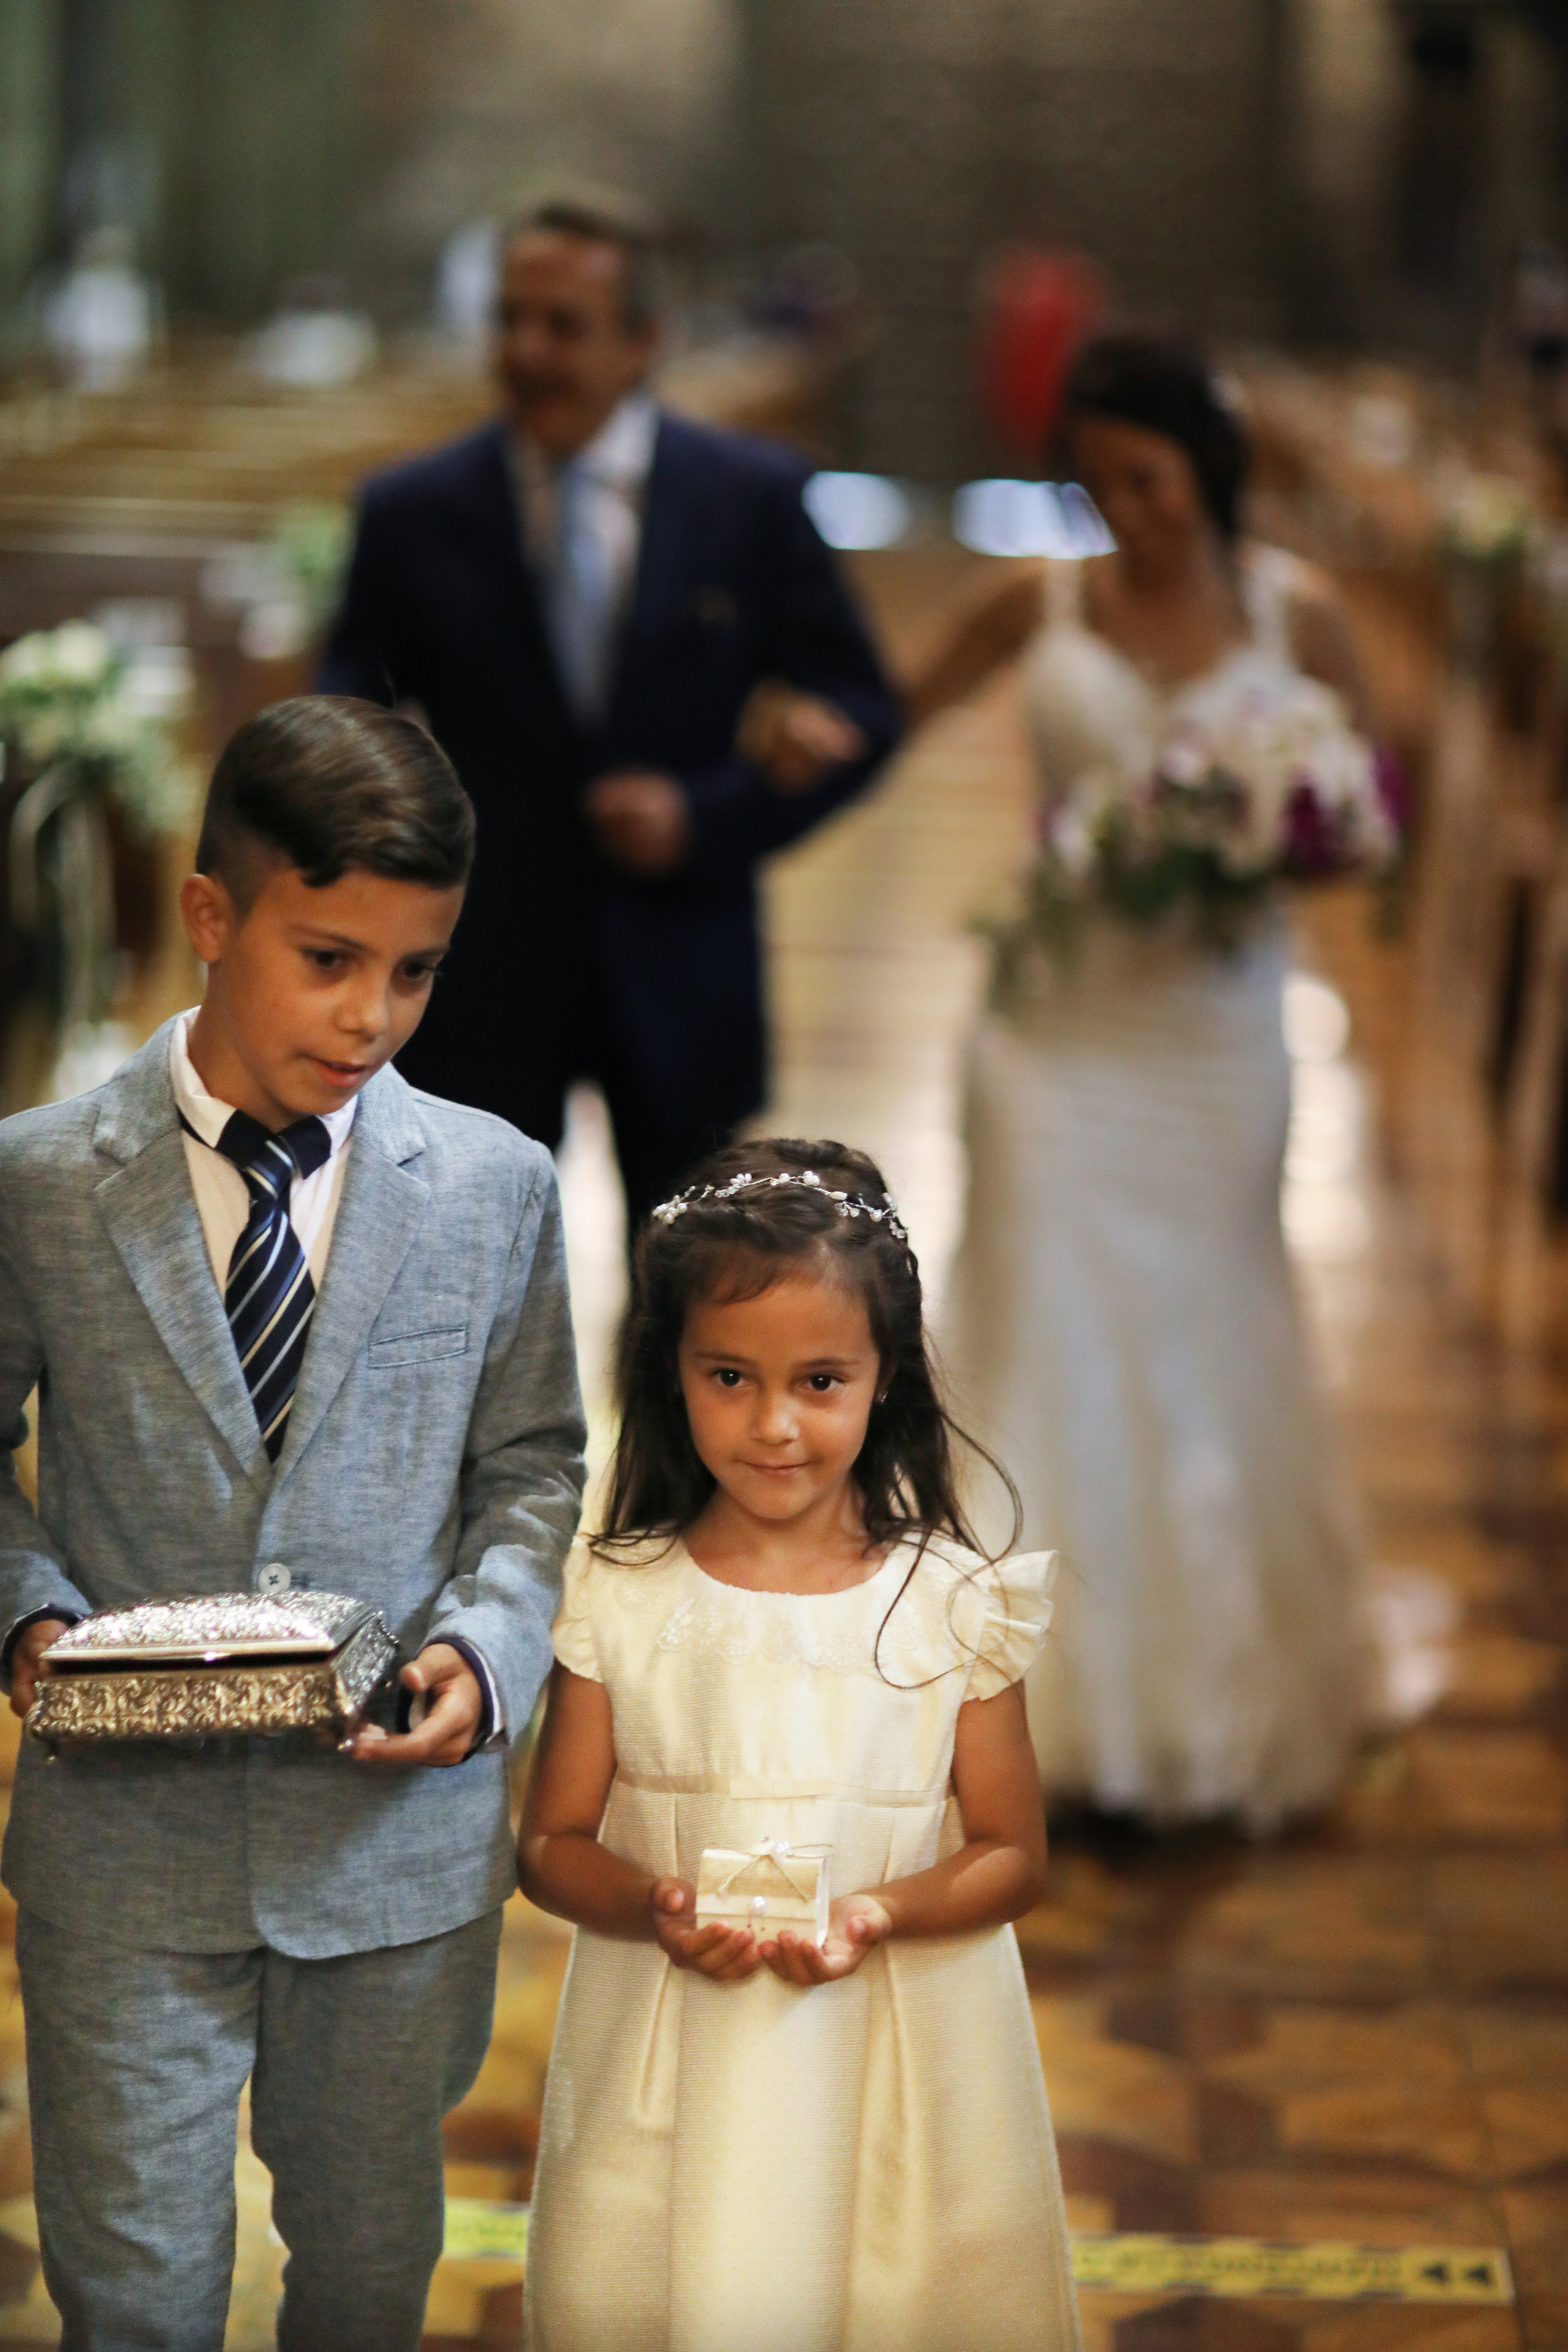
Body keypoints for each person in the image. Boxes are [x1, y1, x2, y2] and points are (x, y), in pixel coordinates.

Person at [0, 696, 585, 2350]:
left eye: (415, 972)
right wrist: (32, 1619)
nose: (372, 1015)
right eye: (328, 958)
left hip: (389, 1862)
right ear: (210, 917)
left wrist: (490, 1650)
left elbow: (536, 1464)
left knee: (365, 2271)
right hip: (125, 1849)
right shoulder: (36, 1185)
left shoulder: (493, 1188)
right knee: (135, 2292)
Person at [519, 1138, 1084, 2352]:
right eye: (729, 1377)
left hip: (891, 2058)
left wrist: (884, 1911)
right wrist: (649, 1904)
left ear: (886, 1379)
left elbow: (1010, 1852)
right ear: (669, 1373)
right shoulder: (616, 1594)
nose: (773, 1424)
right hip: (671, 2067)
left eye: (819, 1382)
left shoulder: (951, 1605)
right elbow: (551, 1843)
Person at [919, 333, 1372, 1830]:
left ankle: (1196, 1707)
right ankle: (1039, 1713)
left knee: (1200, 1333)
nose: (1126, 510)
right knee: (1044, 1326)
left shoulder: (1297, 616)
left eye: (1151, 480)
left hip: (1213, 1043)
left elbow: (1377, 816)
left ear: (1211, 472)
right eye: (1098, 483)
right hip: (1053, 1029)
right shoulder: (1039, 599)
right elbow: (883, 709)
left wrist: (1294, 835)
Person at [319, 192, 903, 1230]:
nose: (526, 351)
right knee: (465, 1278)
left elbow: (863, 705)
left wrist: (709, 811)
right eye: (509, 320)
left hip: (682, 959)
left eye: (563, 326)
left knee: (693, 1292)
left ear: (642, 342)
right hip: (482, 962)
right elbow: (341, 721)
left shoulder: (747, 499)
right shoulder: (413, 511)